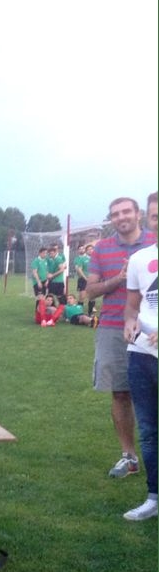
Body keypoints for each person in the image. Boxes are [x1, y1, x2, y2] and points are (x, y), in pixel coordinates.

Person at [85, 196, 155, 478]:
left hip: (151, 328)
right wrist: (119, 277)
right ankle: (129, 457)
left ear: (138, 214)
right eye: (115, 214)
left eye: (126, 211)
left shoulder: (154, 241)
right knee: (120, 392)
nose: (121, 217)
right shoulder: (102, 248)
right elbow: (90, 291)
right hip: (114, 328)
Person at [122, 191, 158, 520]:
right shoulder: (139, 259)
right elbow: (133, 306)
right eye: (155, 216)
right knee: (148, 431)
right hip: (142, 353)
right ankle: (154, 496)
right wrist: (130, 323)